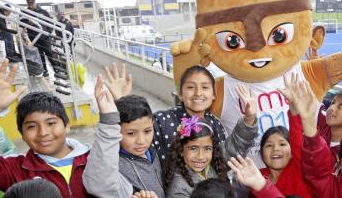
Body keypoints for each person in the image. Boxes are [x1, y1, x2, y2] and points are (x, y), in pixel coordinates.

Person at [0, 60, 113, 198]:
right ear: (22, 134)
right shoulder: (15, 169)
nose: (43, 132)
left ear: (67, 125)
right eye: (31, 126)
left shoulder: (95, 158)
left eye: (51, 123)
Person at [104, 63, 258, 164]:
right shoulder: (162, 120)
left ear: (213, 95)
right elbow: (131, 138)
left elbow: (227, 158)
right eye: (190, 87)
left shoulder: (216, 124)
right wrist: (122, 102)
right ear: (180, 93)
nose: (198, 93)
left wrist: (249, 118)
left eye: (205, 88)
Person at [248, 74, 316, 198]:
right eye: (269, 145)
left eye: (282, 144)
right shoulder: (257, 178)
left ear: (292, 151)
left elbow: (298, 139)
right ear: (262, 153)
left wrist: (293, 109)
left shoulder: (298, 168)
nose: (276, 149)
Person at [21, 0, 53, 76]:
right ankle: (45, 71)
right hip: (34, 37)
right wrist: (29, 24)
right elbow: (20, 23)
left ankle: (56, 69)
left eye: (32, 3)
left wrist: (49, 32)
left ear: (35, 2)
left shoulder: (43, 12)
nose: (31, 5)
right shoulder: (25, 12)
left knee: (49, 53)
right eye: (29, 3)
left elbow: (51, 23)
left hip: (45, 36)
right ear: (27, 3)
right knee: (40, 55)